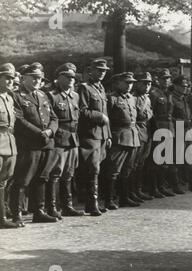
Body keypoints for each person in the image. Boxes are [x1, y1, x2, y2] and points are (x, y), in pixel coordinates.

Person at [10, 62, 59, 225]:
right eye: (34, 78)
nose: (38, 81)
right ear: (24, 78)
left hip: (46, 144)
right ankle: (16, 214)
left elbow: (54, 117)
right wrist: (39, 133)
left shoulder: (43, 95)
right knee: (23, 180)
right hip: (29, 145)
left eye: (40, 78)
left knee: (42, 178)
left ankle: (39, 211)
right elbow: (19, 120)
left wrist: (50, 131)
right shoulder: (16, 96)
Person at [47, 63, 85, 217]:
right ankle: (52, 207)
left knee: (69, 174)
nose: (71, 80)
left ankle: (67, 206)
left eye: (73, 77)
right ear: (59, 77)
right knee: (55, 173)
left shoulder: (75, 96)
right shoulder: (52, 95)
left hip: (73, 138)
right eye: (67, 77)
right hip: (58, 139)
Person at [77, 58, 112, 216]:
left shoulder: (101, 88)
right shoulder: (84, 88)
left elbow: (107, 115)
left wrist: (108, 135)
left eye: (104, 71)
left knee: (98, 169)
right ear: (91, 70)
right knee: (92, 170)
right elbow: (82, 111)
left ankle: (94, 202)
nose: (102, 73)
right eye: (99, 70)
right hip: (90, 135)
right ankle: (91, 204)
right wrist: (99, 116)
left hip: (102, 136)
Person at [102, 72, 141, 209]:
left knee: (127, 170)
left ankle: (125, 198)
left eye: (131, 83)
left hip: (132, 136)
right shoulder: (111, 98)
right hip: (118, 136)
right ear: (117, 83)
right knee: (113, 170)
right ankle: (109, 199)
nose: (130, 85)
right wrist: (107, 136)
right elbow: (106, 120)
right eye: (126, 82)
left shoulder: (132, 98)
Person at [148, 68, 175, 198]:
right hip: (159, 127)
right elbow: (150, 112)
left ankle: (161, 186)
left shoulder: (168, 93)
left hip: (169, 128)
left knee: (165, 160)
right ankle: (154, 188)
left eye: (168, 78)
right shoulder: (154, 93)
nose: (166, 81)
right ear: (157, 79)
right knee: (156, 160)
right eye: (164, 78)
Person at [130, 72, 154, 202]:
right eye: (144, 83)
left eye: (149, 83)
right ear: (137, 83)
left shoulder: (147, 98)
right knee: (133, 165)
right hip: (137, 132)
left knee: (141, 164)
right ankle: (131, 191)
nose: (147, 86)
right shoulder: (133, 98)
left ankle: (138, 190)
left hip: (146, 132)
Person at [0, 63, 19, 229]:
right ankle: (2, 218)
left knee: (6, 181)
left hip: (9, 141)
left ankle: (4, 215)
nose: (11, 81)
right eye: (7, 78)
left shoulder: (10, 98)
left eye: (12, 78)